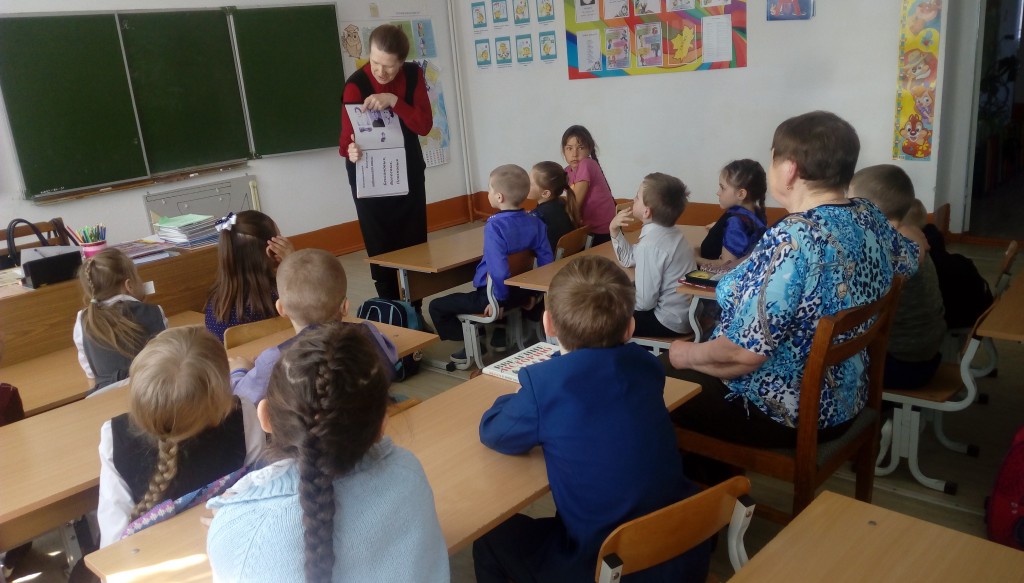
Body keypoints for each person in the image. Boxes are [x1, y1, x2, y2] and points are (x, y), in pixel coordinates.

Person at [663, 111, 919, 447]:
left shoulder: (792, 239)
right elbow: (911, 258)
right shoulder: (868, 214)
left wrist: (683, 354)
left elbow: (743, 355)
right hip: (849, 397)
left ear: (790, 169)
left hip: (785, 410)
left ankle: (707, 479)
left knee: (646, 380)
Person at [474, 255, 709, 583]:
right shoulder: (647, 366)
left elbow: (495, 432)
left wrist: (519, 397)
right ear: (630, 327)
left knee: (489, 538)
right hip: (681, 548)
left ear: (548, 324)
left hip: (604, 564)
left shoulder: (546, 385)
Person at [206, 323, 449, 582]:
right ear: (382, 424)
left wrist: (234, 519)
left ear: (265, 417)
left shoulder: (238, 534)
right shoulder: (408, 472)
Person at [96, 327, 265, 547]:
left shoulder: (114, 438)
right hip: (235, 543)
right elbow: (261, 490)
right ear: (220, 396)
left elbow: (113, 541)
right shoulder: (244, 415)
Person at [229, 248, 398, 404]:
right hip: (367, 417)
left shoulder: (274, 359)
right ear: (345, 307)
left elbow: (242, 399)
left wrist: (239, 371)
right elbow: (390, 363)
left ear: (281, 309)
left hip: (306, 427)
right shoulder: (367, 333)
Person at [341, 24, 433, 301]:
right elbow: (345, 142)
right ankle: (391, 309)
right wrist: (351, 150)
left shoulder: (414, 75)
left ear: (402, 62)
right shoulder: (355, 85)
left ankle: (414, 309)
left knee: (414, 242)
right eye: (375, 63)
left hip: (406, 169)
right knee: (380, 244)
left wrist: (394, 100)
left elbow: (424, 126)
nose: (381, 72)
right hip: (370, 174)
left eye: (389, 67)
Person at [428, 164, 553, 365]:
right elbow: (547, 262)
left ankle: (474, 340)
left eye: (489, 189)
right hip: (522, 294)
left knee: (436, 306)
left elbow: (499, 270)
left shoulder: (495, 226)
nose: (488, 193)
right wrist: (534, 294)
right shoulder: (535, 221)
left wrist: (498, 301)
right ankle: (487, 333)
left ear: (499, 197)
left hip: (493, 296)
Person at [850, 166, 945, 389]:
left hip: (900, 365)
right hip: (924, 356)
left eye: (851, 201)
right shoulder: (909, 239)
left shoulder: (883, 251)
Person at [609, 172, 695, 338]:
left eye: (637, 197)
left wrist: (619, 302)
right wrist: (614, 230)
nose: (633, 199)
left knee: (602, 318)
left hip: (667, 322)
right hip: (686, 316)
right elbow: (629, 259)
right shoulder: (671, 233)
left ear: (646, 212)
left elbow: (644, 303)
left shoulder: (650, 245)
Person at [73, 248, 167, 392]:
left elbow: (91, 376)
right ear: (129, 285)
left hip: (107, 398)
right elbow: (168, 361)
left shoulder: (82, 320)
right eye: (138, 276)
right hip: (151, 393)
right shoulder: (155, 312)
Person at [205, 210, 293, 342]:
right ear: (271, 251)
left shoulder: (215, 304)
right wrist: (292, 262)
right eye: (279, 237)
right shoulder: (282, 296)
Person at [697, 159, 769, 269]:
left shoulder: (735, 223)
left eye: (722, 188)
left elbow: (726, 265)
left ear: (741, 194)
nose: (718, 193)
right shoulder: (756, 212)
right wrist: (718, 227)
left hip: (714, 278)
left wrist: (695, 257)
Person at [562, 125, 617, 246]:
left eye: (580, 148)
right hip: (587, 231)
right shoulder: (566, 171)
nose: (574, 154)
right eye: (569, 148)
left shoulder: (587, 164)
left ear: (589, 149)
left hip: (603, 233)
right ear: (563, 151)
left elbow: (574, 204)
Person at [528, 160, 579, 256]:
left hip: (548, 261)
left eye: (530, 183)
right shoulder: (563, 203)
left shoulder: (538, 214)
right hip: (566, 256)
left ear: (545, 193)